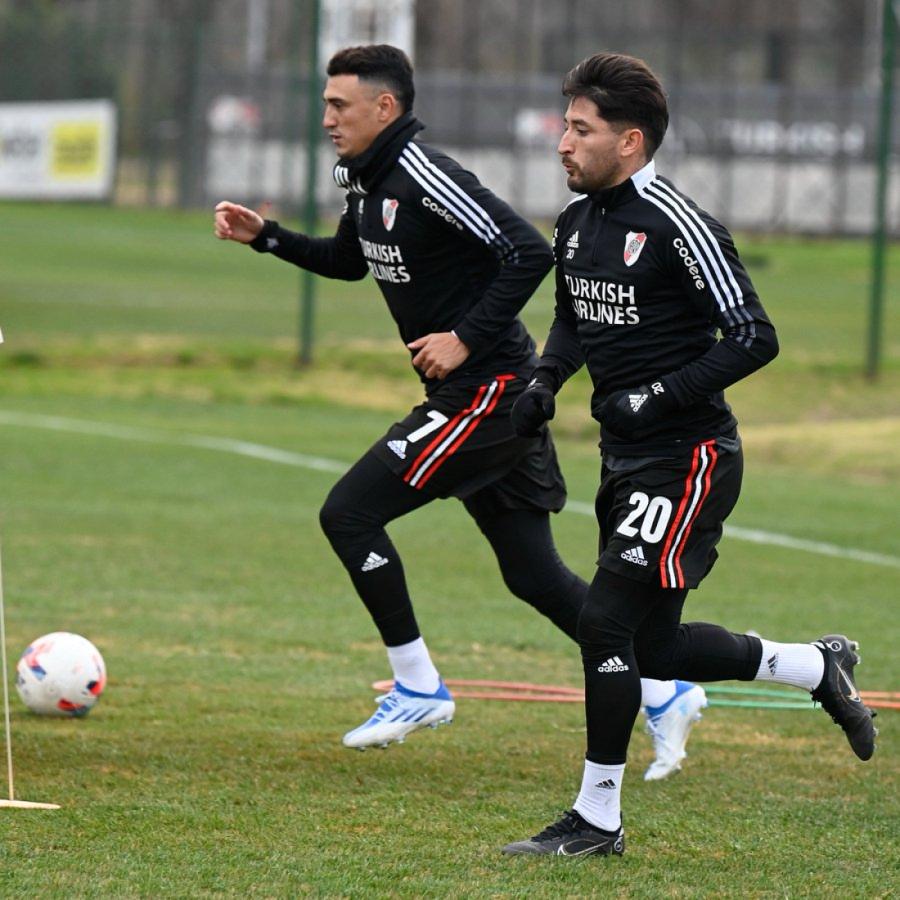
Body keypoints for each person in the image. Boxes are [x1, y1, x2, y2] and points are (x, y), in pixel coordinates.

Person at [213, 43, 706, 777]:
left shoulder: (424, 173)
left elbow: (528, 252)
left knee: (348, 513)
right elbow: (355, 260)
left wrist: (463, 337)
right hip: (477, 395)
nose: (326, 119)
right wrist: (270, 239)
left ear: (385, 108)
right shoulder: (363, 177)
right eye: (325, 104)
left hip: (489, 392)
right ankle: (663, 689)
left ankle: (417, 684)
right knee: (535, 577)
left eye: (339, 105)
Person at [501, 52, 878, 858]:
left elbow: (754, 336)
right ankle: (816, 666)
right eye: (563, 125)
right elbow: (572, 318)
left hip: (690, 453)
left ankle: (597, 818)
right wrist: (545, 380)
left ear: (630, 141)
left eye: (580, 129)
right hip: (625, 458)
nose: (560, 142)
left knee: (603, 624)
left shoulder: (677, 223)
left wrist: (659, 396)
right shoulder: (576, 224)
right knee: (655, 648)